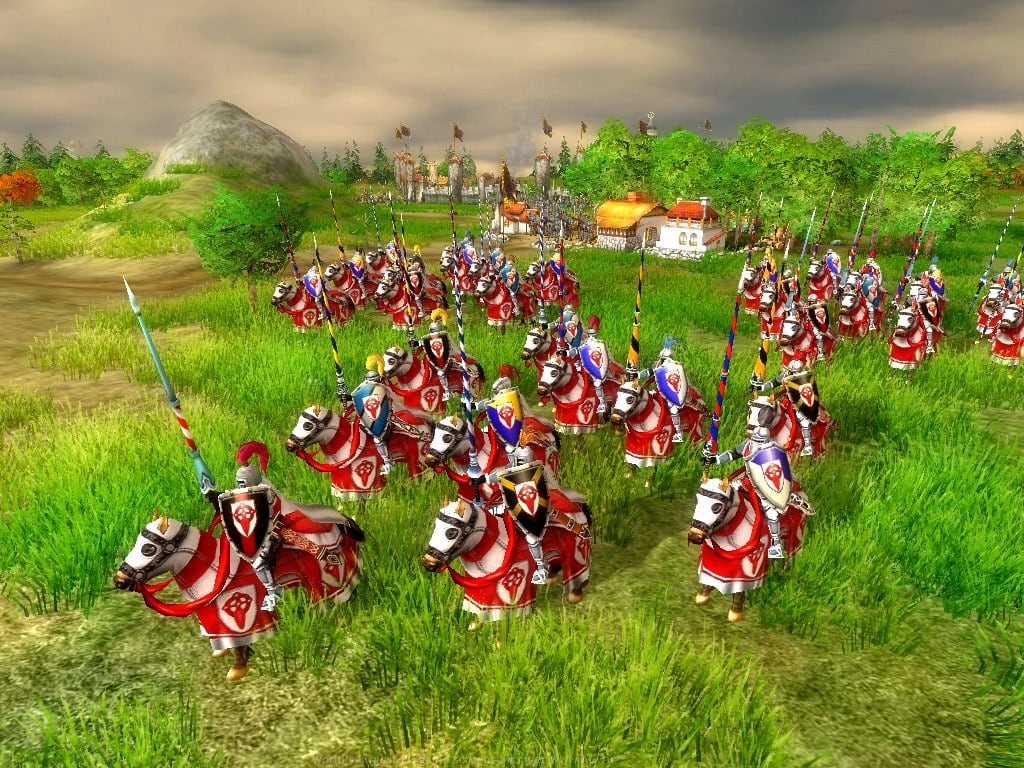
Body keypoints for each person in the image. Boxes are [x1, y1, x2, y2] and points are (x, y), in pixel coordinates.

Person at [701, 407, 792, 559]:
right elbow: (732, 455)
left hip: (765, 484)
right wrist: (714, 459)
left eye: (760, 439)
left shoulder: (773, 448)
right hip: (746, 480)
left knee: (771, 511)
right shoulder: (748, 444)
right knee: (723, 496)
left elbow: (778, 470)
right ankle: (712, 527)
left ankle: (776, 545)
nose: (757, 440)